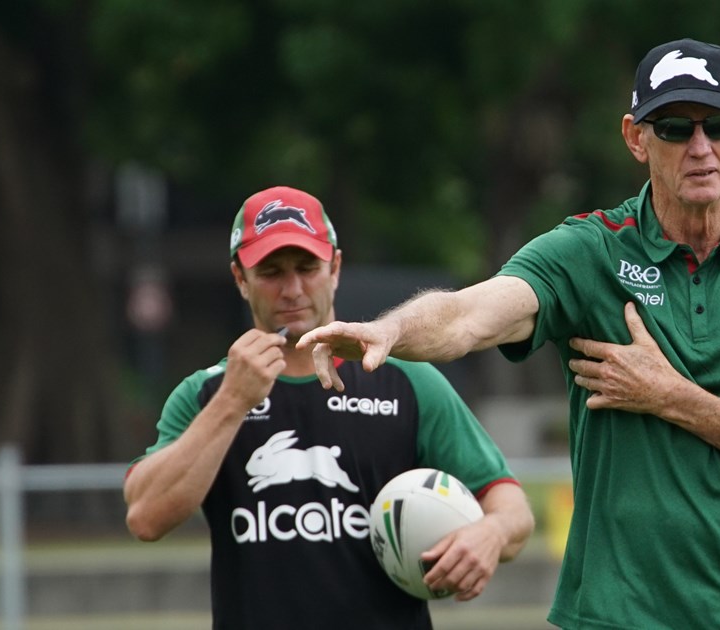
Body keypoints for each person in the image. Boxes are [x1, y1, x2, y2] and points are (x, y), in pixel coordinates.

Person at [299, 39, 720, 628]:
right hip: (621, 616)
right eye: (675, 128)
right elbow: (471, 314)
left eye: (718, 125)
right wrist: (389, 329)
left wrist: (674, 399)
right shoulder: (590, 250)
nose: (701, 148)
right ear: (636, 137)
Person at [122, 186, 534, 629]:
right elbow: (146, 517)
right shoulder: (207, 393)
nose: (292, 289)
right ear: (241, 279)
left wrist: (489, 534)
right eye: (270, 272)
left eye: (307, 267)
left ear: (335, 268)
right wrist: (232, 402)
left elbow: (513, 510)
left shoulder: (406, 381)